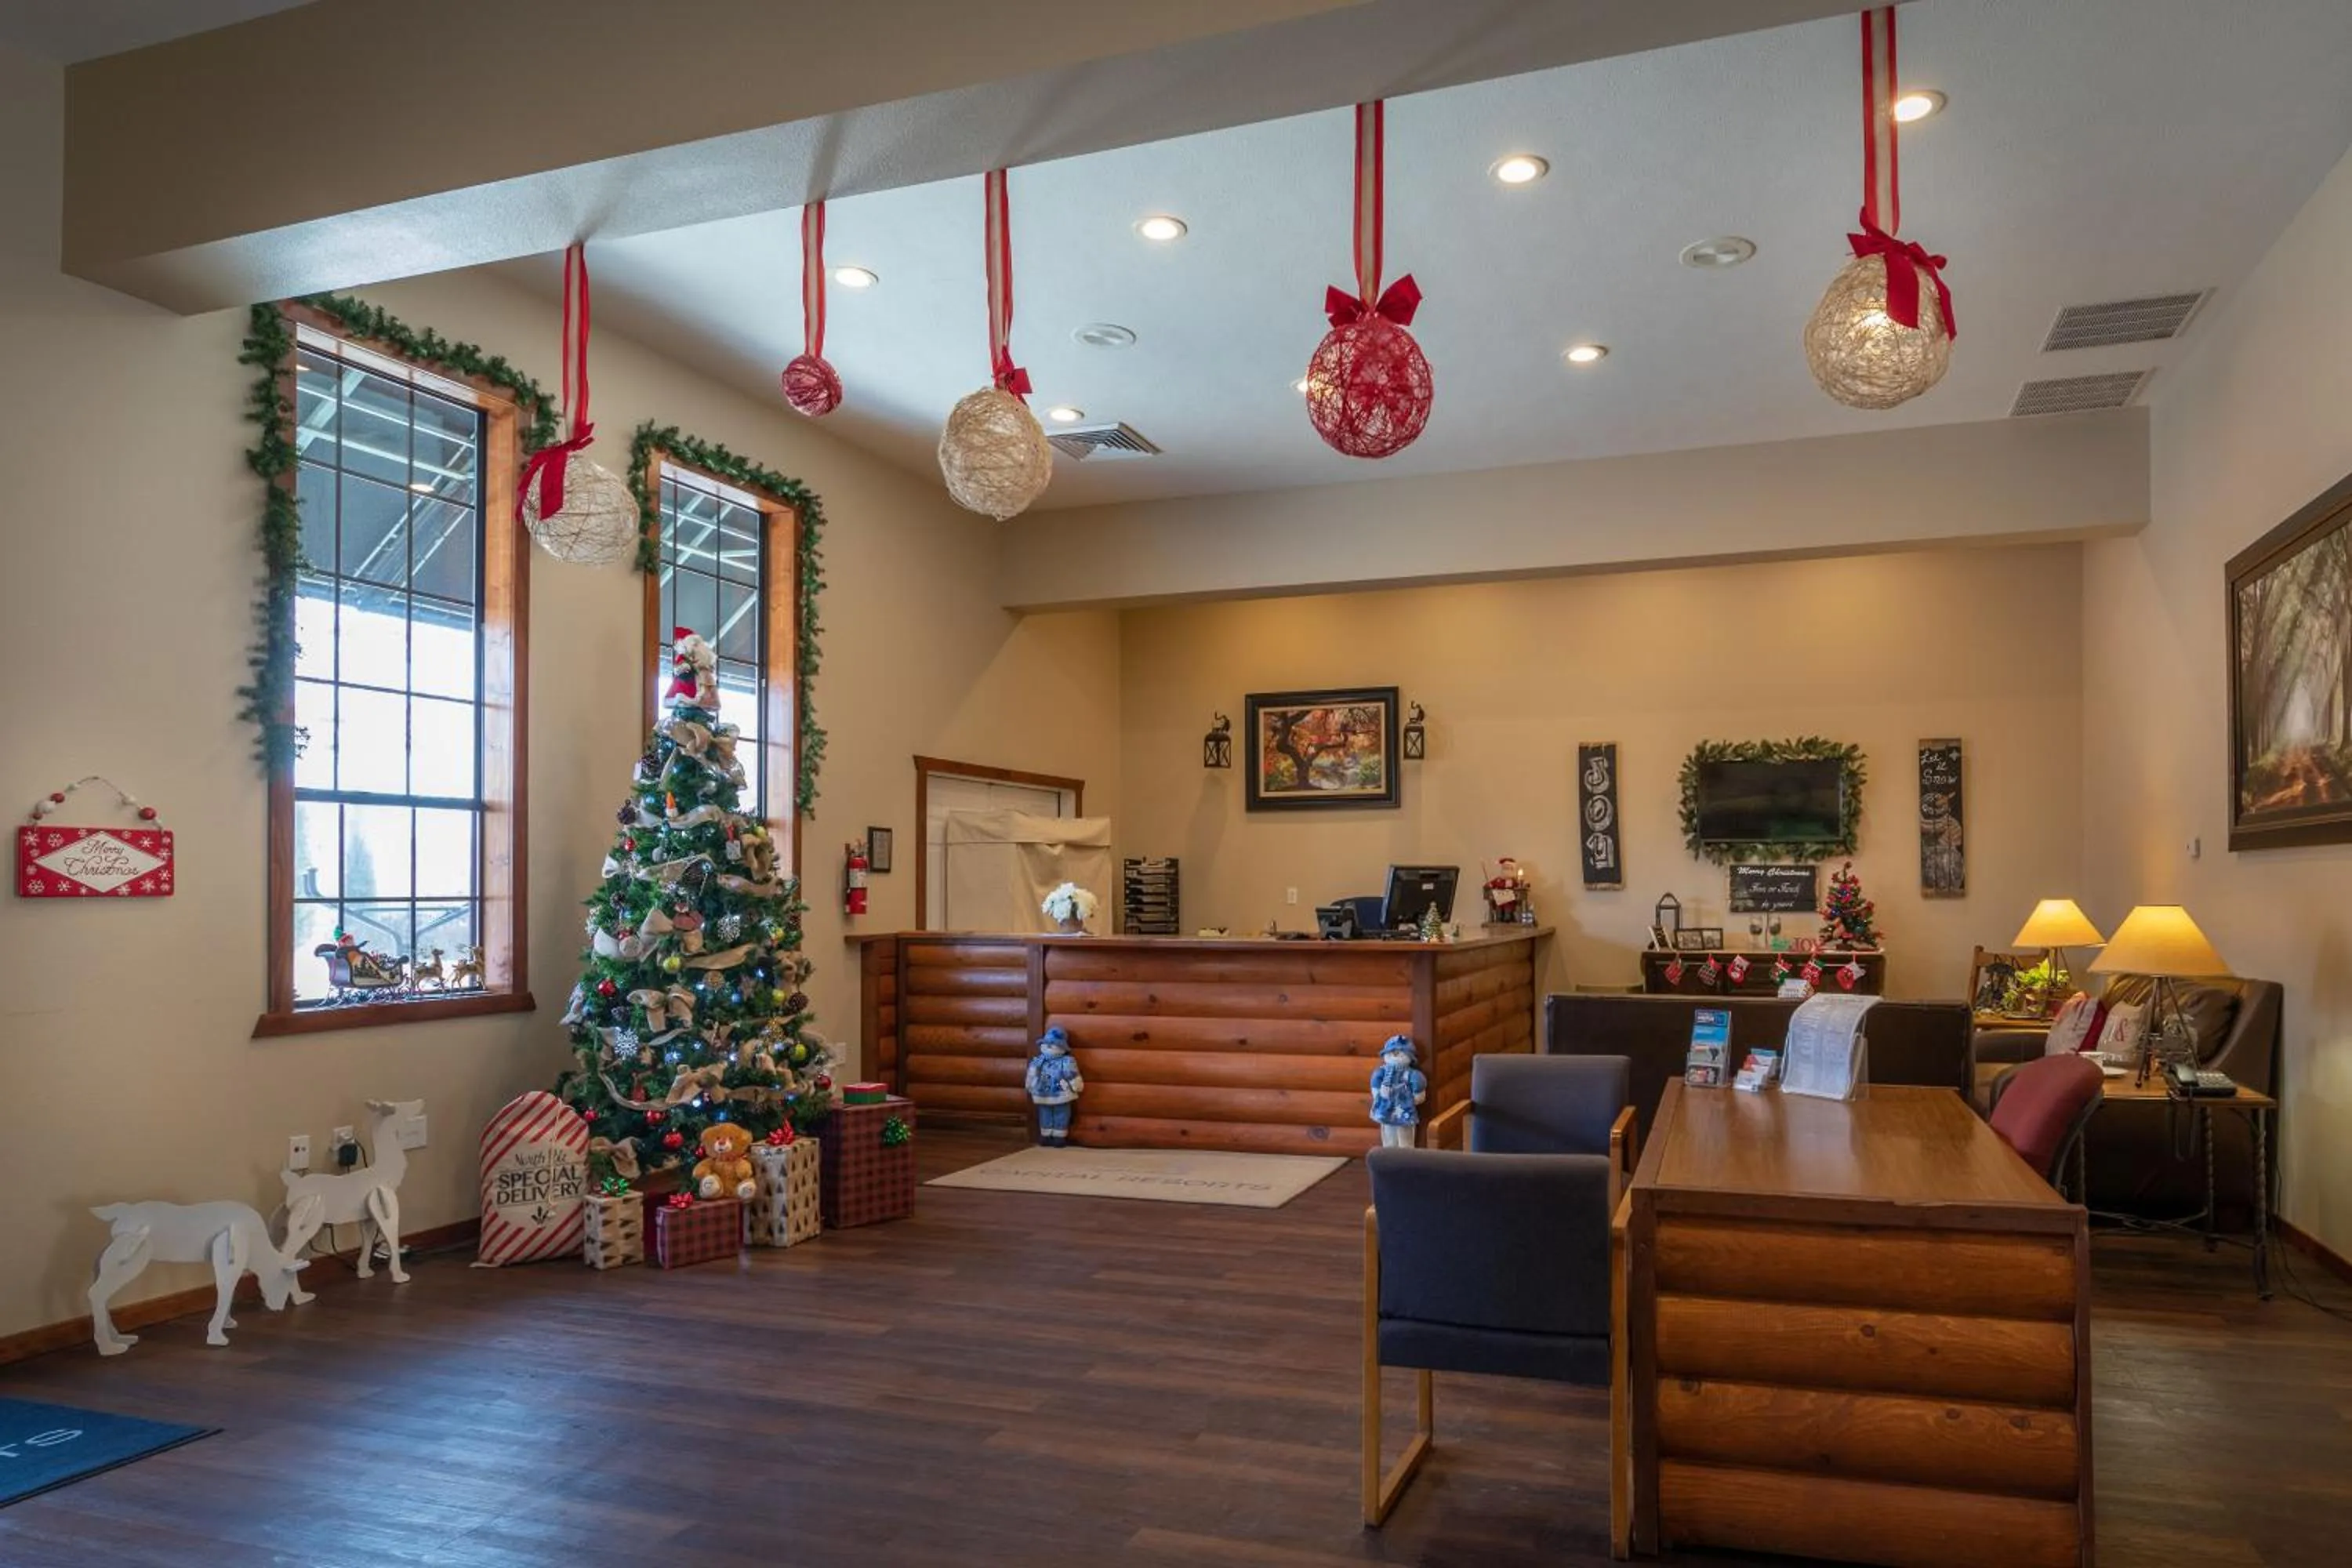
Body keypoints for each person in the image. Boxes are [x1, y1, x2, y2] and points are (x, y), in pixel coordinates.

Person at [1025, 1025, 1084, 1149]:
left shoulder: (1066, 1061)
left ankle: (1059, 1136)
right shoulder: (1039, 1061)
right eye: (1046, 1044)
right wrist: (1030, 1083)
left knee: (1062, 1112)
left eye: (1053, 1045)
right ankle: (1046, 1134)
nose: (1048, 1047)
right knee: (1044, 1112)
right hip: (1043, 1091)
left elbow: (1071, 1074)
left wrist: (1075, 1084)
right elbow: (1032, 1073)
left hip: (1061, 1091)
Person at [1368, 1034, 1426, 1149]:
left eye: (1398, 1053)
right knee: (1389, 1137)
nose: (1394, 1056)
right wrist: (1378, 1093)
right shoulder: (1382, 1072)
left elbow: (1419, 1087)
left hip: (1404, 1110)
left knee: (1406, 1139)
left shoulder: (1411, 1074)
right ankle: (1390, 1158)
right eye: (1391, 1053)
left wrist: (1416, 1096)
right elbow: (1375, 1084)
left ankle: (1405, 1160)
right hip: (1386, 1110)